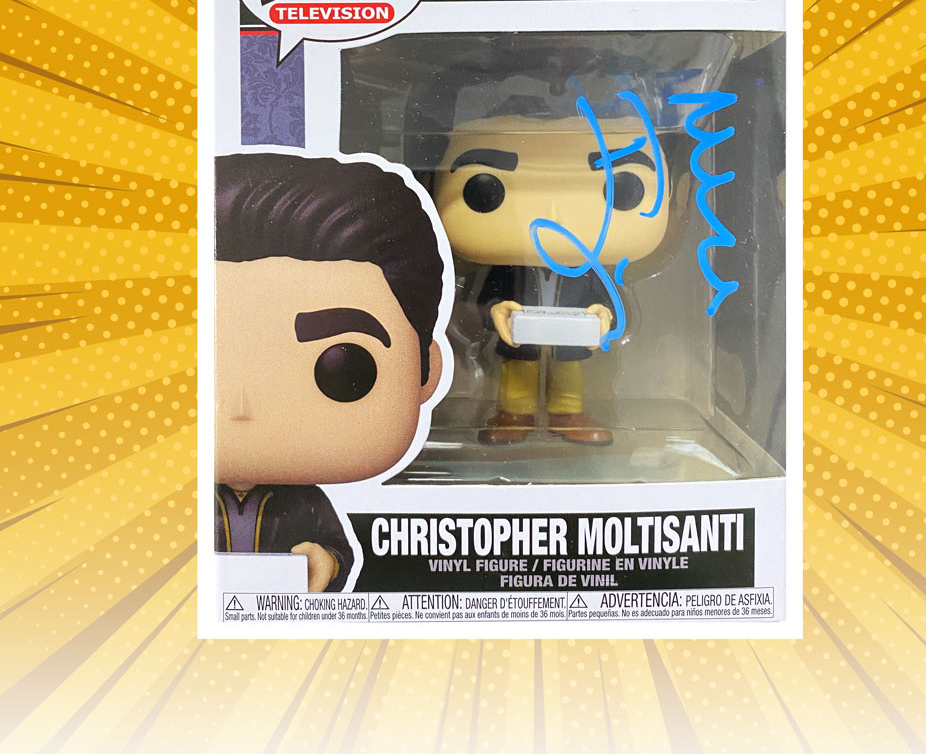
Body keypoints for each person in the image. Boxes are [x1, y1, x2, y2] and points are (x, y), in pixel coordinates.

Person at [215, 153, 446, 591]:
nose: (239, 406)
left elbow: (337, 550)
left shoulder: (305, 504)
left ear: (426, 372)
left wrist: (326, 562)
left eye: (344, 369)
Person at [433, 112, 670, 447]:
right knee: (519, 370)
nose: (553, 214)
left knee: (567, 371)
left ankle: (567, 413)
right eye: (485, 190)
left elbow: (608, 302)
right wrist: (496, 312)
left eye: (620, 190)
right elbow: (486, 301)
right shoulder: (510, 268)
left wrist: (603, 316)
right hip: (520, 338)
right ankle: (514, 414)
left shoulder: (588, 270)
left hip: (569, 340)